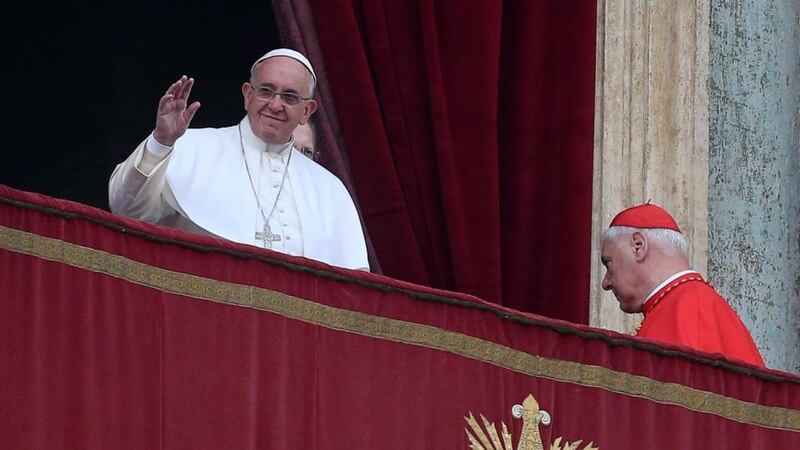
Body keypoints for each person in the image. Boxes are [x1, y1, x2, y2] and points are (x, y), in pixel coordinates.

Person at [109, 48, 369, 271]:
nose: (276, 105)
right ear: (247, 95)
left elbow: (352, 287)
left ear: (307, 110)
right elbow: (126, 210)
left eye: (290, 97)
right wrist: (160, 142)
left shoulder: (329, 189)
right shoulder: (189, 148)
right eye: (266, 91)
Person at [600, 203, 764, 367]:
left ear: (638, 246)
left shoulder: (688, 308)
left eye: (608, 263)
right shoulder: (691, 301)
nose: (605, 283)